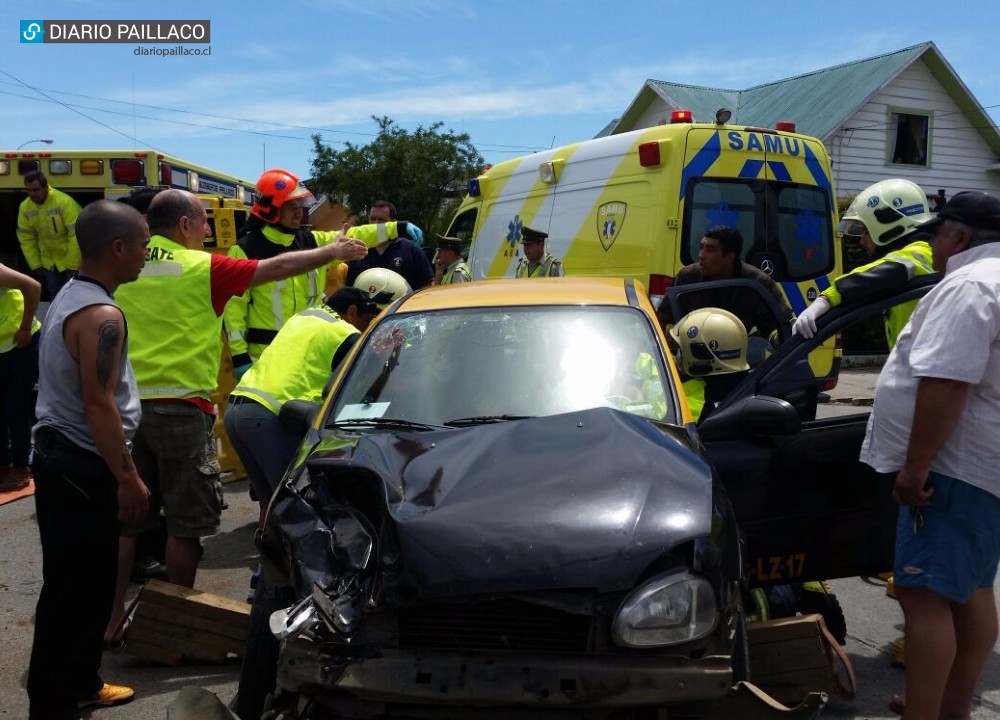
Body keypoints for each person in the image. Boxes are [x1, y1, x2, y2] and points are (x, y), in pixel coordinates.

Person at [105, 190, 367, 642]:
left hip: (122, 411)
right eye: (204, 222)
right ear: (185, 225)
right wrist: (334, 251)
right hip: (181, 406)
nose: (209, 231)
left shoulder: (126, 265)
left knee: (126, 526)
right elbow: (276, 268)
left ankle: (108, 624)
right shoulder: (203, 267)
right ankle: (169, 630)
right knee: (185, 527)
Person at [859, 191, 1000, 720]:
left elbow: (946, 382)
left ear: (959, 237)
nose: (931, 245)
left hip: (952, 467)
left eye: (936, 234)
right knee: (972, 591)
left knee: (923, 599)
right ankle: (949, 707)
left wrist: (915, 467)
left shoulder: (969, 286)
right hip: (983, 467)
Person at [27, 199, 151, 718]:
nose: (147, 256)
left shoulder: (69, 296)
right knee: (75, 591)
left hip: (62, 457)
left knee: (84, 583)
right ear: (118, 248)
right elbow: (98, 404)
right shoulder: (102, 315)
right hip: (80, 463)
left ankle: (79, 680)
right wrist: (127, 477)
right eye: (143, 246)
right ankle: (54, 700)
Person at [225, 175, 408, 377]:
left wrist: (395, 228)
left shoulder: (312, 241)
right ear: (272, 209)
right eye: (291, 205)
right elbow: (234, 310)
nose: (299, 211)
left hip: (310, 351)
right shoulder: (245, 250)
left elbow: (356, 235)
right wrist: (239, 356)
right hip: (266, 356)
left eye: (300, 204)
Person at [226, 286, 378, 512]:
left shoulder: (303, 317)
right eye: (368, 320)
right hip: (271, 418)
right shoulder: (345, 334)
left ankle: (270, 546)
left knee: (272, 506)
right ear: (352, 312)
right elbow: (357, 394)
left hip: (238, 410)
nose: (367, 327)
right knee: (296, 508)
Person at [793, 179, 936, 345]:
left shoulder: (919, 253)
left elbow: (884, 271)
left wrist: (824, 301)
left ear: (890, 224)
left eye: (865, 231)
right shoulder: (923, 255)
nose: (862, 242)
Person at [660, 225, 792, 340]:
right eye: (702, 247)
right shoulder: (687, 277)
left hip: (745, 361)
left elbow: (778, 325)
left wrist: (777, 338)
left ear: (729, 257)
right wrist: (674, 337)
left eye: (710, 250)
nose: (701, 255)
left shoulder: (757, 283)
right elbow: (665, 317)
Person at [0, 263, 41, 491]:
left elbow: (33, 287)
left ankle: (20, 467)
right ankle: (3, 465)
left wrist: (25, 328)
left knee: (15, 408)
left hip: (20, 343)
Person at [670, 307, 750, 421]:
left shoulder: (700, 404)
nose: (677, 355)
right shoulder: (746, 386)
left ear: (700, 352)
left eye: (681, 349)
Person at [17, 170, 82, 300]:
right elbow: (26, 238)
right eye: (28, 190)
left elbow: (76, 236)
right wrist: (35, 263)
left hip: (71, 260)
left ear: (46, 187)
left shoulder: (64, 202)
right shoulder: (25, 207)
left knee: (75, 297)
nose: (32, 194)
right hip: (49, 263)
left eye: (36, 190)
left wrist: (73, 266)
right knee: (55, 297)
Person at [344, 200, 435, 291]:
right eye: (372, 219)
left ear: (394, 223)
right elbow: (350, 287)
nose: (376, 224)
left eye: (381, 220)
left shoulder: (411, 249)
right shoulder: (359, 250)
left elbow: (427, 284)